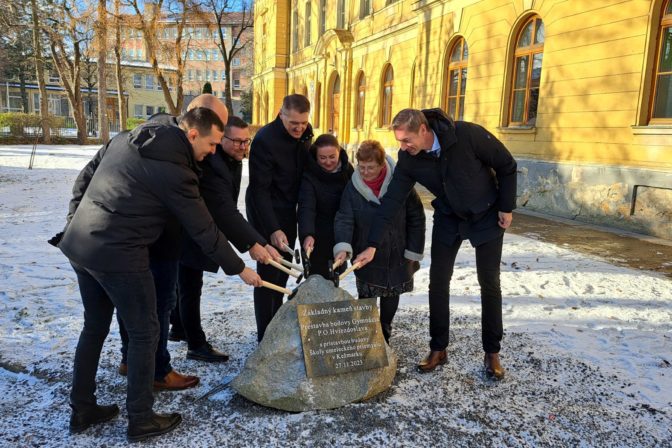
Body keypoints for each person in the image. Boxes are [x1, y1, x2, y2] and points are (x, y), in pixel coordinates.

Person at [56, 107, 263, 442]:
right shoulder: (175, 170)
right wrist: (239, 268)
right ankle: (141, 418)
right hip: (120, 253)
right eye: (211, 144)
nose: (213, 152)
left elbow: (85, 177)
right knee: (146, 332)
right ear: (192, 134)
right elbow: (203, 228)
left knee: (94, 327)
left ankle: (83, 408)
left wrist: (73, 222)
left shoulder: (127, 138)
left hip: (81, 244)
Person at [353, 108, 517, 380]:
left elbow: (506, 165)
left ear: (423, 130)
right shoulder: (409, 158)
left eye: (407, 140)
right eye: (399, 142)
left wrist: (506, 207)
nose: (402, 147)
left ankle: (492, 352)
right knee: (438, 281)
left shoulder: (466, 135)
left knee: (489, 282)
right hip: (449, 218)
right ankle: (438, 348)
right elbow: (392, 201)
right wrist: (372, 244)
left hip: (487, 215)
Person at [171, 116, 281, 361]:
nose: (243, 147)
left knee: (185, 284)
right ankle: (196, 344)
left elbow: (228, 208)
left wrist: (256, 242)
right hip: (191, 230)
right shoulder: (213, 163)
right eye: (237, 142)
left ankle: (178, 327)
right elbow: (223, 210)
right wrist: (254, 243)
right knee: (189, 286)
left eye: (246, 141)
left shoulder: (233, 159)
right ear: (222, 140)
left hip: (203, 227)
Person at [333, 140, 425, 343]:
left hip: (398, 249)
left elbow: (416, 216)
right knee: (366, 296)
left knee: (392, 293)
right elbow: (344, 218)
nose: (365, 172)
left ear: (382, 165)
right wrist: (342, 246)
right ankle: (366, 336)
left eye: (371, 167)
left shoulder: (400, 183)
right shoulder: (353, 188)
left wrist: (413, 249)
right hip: (365, 251)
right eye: (362, 167)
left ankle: (384, 333)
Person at [245, 94, 313, 341]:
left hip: (287, 211)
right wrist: (272, 228)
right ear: (281, 114)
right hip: (265, 212)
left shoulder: (306, 135)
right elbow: (259, 190)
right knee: (268, 272)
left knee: (284, 270)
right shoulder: (265, 140)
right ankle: (265, 335)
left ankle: (276, 325)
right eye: (293, 122)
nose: (298, 128)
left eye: (303, 122)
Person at [298, 133, 354, 279]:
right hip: (317, 235)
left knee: (335, 276)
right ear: (316, 156)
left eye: (332, 157)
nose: (328, 162)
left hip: (340, 233)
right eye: (322, 158)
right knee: (316, 278)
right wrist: (307, 234)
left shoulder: (348, 171)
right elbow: (306, 208)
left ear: (339, 153)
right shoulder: (309, 175)